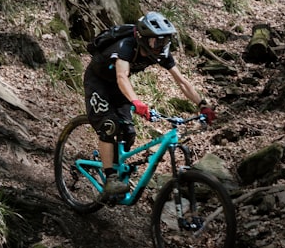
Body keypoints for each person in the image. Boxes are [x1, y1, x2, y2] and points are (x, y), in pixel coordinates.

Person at [84, 11, 217, 201]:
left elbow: (181, 82)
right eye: (157, 41)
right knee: (109, 125)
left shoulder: (161, 53)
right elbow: (122, 76)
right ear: (143, 38)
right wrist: (137, 102)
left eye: (165, 41)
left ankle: (110, 161)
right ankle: (110, 178)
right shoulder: (126, 45)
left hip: (120, 88)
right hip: (98, 82)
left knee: (128, 132)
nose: (161, 46)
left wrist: (202, 105)